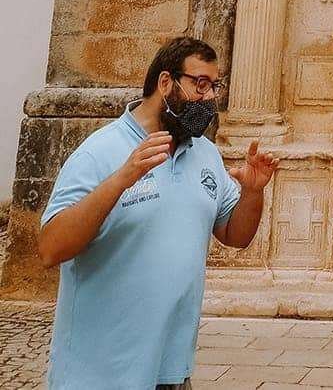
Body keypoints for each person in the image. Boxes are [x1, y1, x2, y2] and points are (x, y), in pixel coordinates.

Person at [39, 36, 278, 390]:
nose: (209, 98)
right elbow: (50, 248)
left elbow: (235, 235)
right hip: (99, 375)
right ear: (165, 83)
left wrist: (253, 193)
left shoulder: (206, 155)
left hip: (173, 373)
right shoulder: (99, 152)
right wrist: (121, 179)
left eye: (214, 86)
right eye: (200, 84)